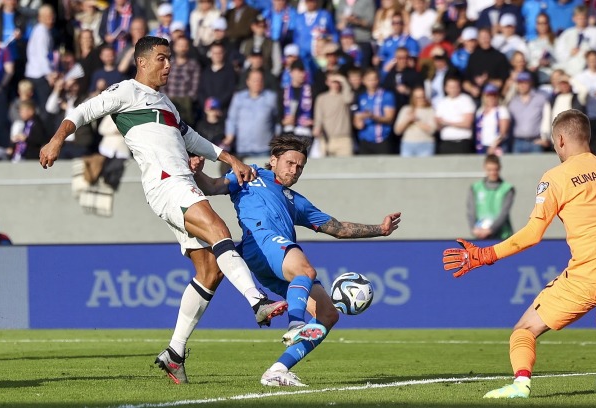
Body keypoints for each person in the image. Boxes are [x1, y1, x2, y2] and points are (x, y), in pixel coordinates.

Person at [37, 36, 288, 384]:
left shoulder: (168, 104)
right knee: (219, 230)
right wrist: (55, 139)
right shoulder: (126, 91)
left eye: (169, 59)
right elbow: (83, 112)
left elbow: (193, 138)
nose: (168, 65)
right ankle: (257, 300)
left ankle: (174, 353)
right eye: (161, 58)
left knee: (210, 271)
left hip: (181, 182)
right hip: (167, 184)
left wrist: (229, 158)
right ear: (142, 61)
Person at [443, 109, 596, 399]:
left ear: (561, 140)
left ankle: (520, 384)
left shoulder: (556, 176)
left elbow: (531, 235)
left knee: (523, 330)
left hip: (590, 277)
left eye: (554, 143)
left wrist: (484, 256)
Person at [191, 135, 401, 386]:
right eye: (290, 163)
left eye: (300, 166)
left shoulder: (296, 201)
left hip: (275, 261)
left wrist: (381, 229)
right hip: (261, 243)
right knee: (306, 270)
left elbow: (338, 228)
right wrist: (197, 174)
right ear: (273, 160)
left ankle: (277, 371)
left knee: (328, 314)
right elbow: (213, 187)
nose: (295, 170)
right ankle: (295, 325)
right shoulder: (251, 175)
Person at [467, 154, 514, 240]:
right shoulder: (475, 188)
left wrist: (490, 230)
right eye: (489, 170)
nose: (492, 173)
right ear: (484, 168)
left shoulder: (507, 188)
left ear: (500, 168)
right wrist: (474, 229)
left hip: (502, 236)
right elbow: (471, 211)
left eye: (495, 170)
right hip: (480, 235)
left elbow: (504, 213)